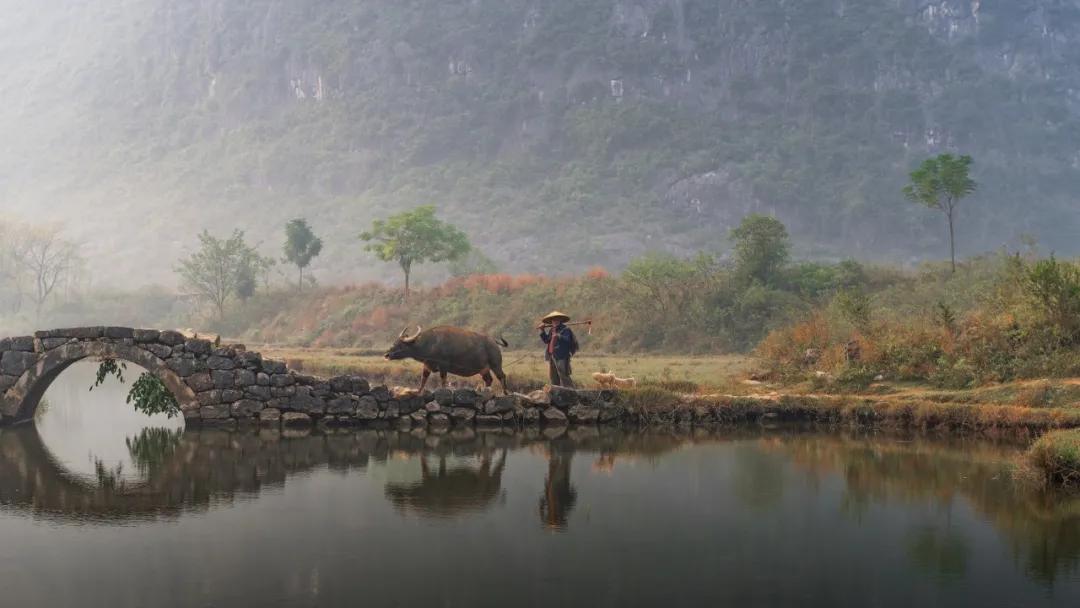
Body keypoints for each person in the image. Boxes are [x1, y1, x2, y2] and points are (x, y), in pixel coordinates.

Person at [539, 310, 577, 388]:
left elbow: (568, 340)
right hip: (552, 355)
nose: (555, 321)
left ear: (560, 320)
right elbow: (547, 340)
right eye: (553, 320)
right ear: (551, 321)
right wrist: (542, 330)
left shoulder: (565, 329)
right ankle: (556, 392)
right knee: (553, 377)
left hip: (562, 356)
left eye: (557, 319)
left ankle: (571, 393)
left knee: (564, 376)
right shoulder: (551, 330)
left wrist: (558, 336)